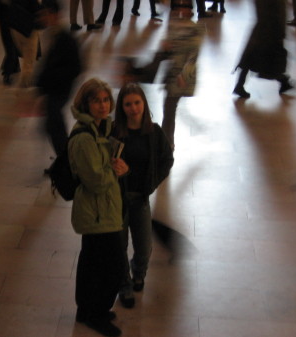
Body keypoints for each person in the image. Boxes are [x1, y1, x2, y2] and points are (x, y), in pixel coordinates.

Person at [69, 78, 128, 337]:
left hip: (102, 209)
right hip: (96, 212)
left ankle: (88, 310)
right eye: (96, 101)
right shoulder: (85, 138)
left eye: (106, 100)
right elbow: (96, 181)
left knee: (93, 262)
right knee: (112, 265)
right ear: (86, 103)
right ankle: (96, 314)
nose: (103, 106)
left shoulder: (101, 129)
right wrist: (116, 171)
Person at [112, 83, 174, 308]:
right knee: (119, 247)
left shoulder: (154, 132)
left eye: (137, 103)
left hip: (140, 198)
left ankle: (138, 273)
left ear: (144, 104)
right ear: (122, 107)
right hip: (117, 200)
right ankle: (124, 286)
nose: (133, 108)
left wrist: (151, 183)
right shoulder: (115, 131)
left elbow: (167, 160)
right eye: (128, 104)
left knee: (144, 247)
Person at [124, 0, 205, 149]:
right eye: (178, 8)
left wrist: (184, 76)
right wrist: (166, 45)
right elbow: (168, 47)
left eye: (184, 8)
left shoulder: (196, 29)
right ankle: (166, 142)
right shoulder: (174, 25)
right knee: (168, 110)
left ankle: (166, 143)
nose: (180, 11)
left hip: (182, 78)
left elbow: (193, 57)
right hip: (171, 75)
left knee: (169, 109)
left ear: (190, 11)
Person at [36, 0, 82, 163]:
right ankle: (65, 161)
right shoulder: (52, 34)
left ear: (54, 14)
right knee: (53, 126)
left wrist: (48, 79)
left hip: (60, 90)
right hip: (53, 89)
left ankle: (66, 162)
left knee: (54, 126)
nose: (42, 18)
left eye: (44, 14)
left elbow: (76, 68)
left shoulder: (65, 39)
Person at [233, 0, 296, 98]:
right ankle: (284, 81)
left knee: (251, 57)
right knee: (270, 60)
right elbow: (278, 12)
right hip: (269, 30)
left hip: (262, 27)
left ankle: (239, 85)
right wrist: (280, 31)